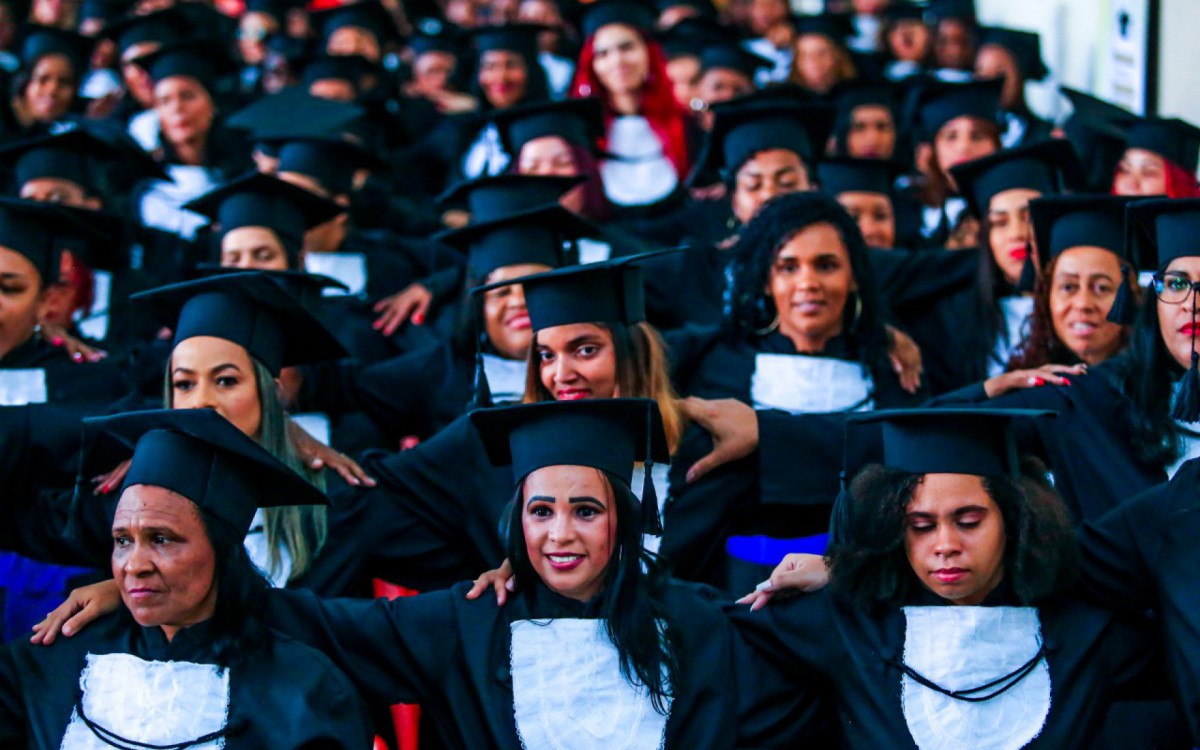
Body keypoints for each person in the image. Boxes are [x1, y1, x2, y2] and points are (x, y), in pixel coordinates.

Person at [31, 400, 832, 749]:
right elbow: (297, 619)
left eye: (586, 511)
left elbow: (849, 654)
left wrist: (832, 571)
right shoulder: (466, 619)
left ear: (621, 522)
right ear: (514, 522)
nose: (560, 533)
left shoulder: (696, 620)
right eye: (540, 510)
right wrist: (136, 581)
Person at [730, 407, 1162, 748]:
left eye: (969, 521)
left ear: (1016, 520)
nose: (944, 544)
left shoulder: (1090, 632)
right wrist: (838, 572)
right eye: (920, 526)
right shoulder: (850, 623)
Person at [1, 408, 372, 749]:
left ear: (222, 549)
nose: (134, 565)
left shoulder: (304, 691)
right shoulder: (47, 662)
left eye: (161, 539)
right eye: (122, 541)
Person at [928, 198, 1200, 523]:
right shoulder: (1081, 398)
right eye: (1176, 284)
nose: (1191, 303)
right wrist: (989, 387)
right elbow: (927, 436)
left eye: (1101, 287)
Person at [942, 138, 1083, 381]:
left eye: (1029, 217)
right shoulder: (956, 319)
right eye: (1000, 223)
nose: (1017, 234)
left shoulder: (1083, 312)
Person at [571, 0, 691, 214]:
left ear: (649, 53)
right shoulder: (582, 133)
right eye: (603, 54)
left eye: (627, 47)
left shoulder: (687, 123)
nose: (617, 61)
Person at [1007, 195, 1138, 370]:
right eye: (1068, 287)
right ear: (1047, 297)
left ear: (1132, 295)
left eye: (1102, 288)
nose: (1083, 303)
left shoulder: (1158, 390)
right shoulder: (1025, 386)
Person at [906, 78, 1003, 249]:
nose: (964, 147)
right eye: (951, 136)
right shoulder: (908, 208)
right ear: (933, 150)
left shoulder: (1007, 208)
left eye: (977, 136)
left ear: (996, 146)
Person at [974, 26, 1055, 148]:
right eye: (981, 75)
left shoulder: (1046, 136)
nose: (990, 84)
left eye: (1000, 75)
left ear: (1021, 76)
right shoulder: (968, 132)